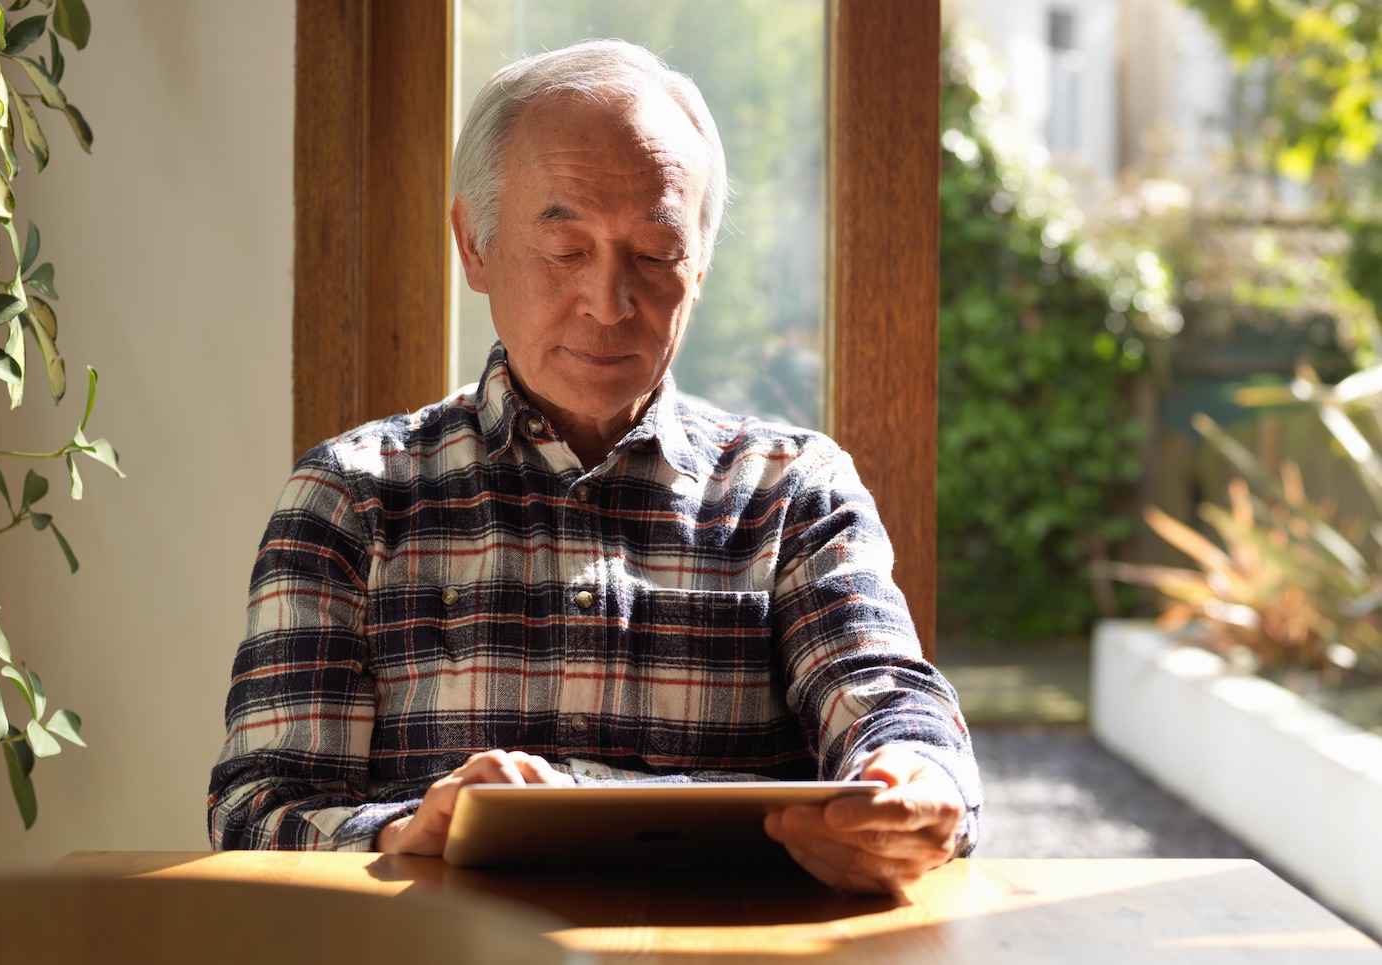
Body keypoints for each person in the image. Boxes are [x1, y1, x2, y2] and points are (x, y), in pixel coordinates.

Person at [210, 38, 981, 895]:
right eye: (567, 249)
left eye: (655, 254)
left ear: (702, 260)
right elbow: (257, 806)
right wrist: (405, 827)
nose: (610, 302)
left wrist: (917, 789)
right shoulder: (352, 497)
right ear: (474, 244)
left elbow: (893, 710)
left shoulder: (793, 492)